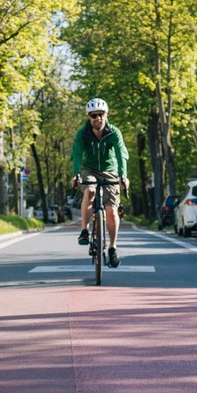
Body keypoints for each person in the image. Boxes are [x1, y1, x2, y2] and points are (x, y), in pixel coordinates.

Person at [69, 98, 127, 268]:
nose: (97, 118)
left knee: (111, 210)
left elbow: (121, 154)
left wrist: (123, 176)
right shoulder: (82, 134)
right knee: (90, 191)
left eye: (100, 115)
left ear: (106, 115)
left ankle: (112, 248)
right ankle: (85, 231)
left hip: (110, 170)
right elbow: (77, 154)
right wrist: (76, 174)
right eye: (94, 115)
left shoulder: (114, 133)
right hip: (89, 169)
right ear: (89, 117)